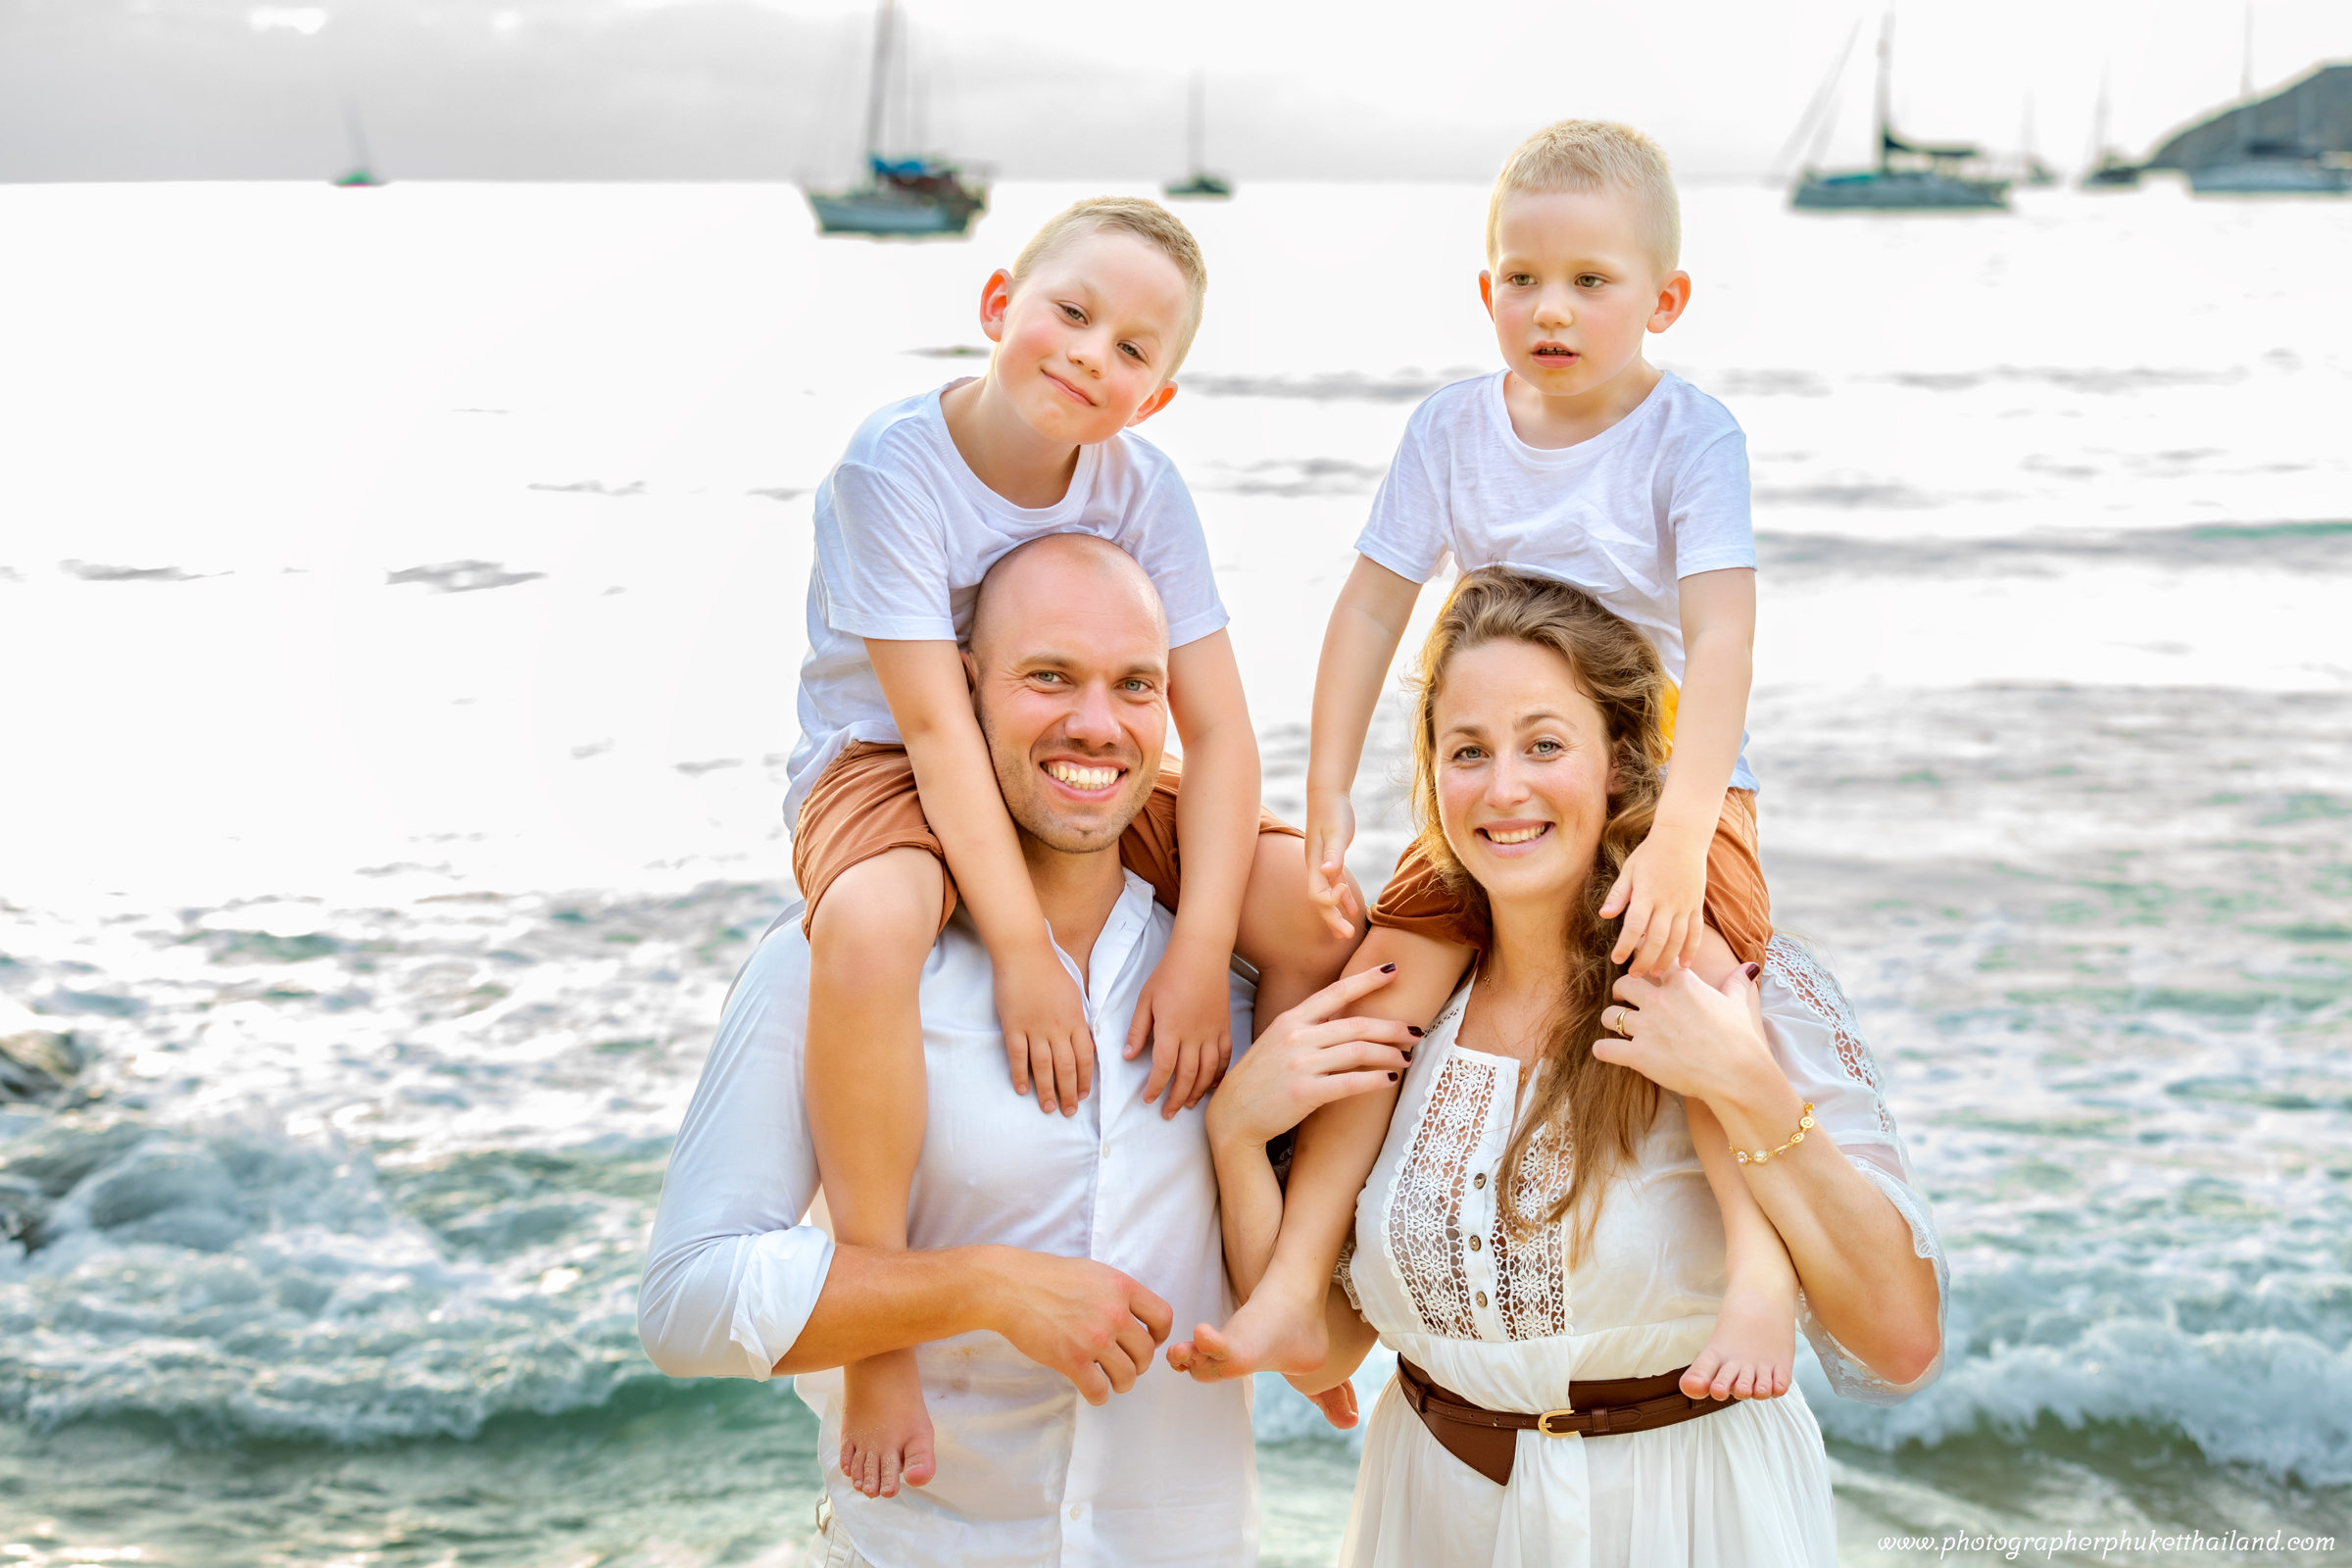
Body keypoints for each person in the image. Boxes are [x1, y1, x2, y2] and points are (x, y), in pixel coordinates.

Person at [640, 535, 1393, 1567]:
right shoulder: (839, 958)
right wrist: (986, 1287)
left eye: (1135, 685)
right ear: (964, 691)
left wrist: (1238, 1133)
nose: (1096, 722)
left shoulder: (1238, 983)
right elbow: (686, 1301)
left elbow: (1335, 1333)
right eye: (1049, 676)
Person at [1171, 569, 1947, 1566]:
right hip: (1434, 1518)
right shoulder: (1408, 1002)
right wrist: (1237, 1135)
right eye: (1468, 751)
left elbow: (1901, 1341)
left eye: (1545, 744)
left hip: (1684, 1523)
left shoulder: (1726, 983)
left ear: (1619, 764)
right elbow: (1321, 1350)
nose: (1504, 789)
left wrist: (1746, 1085)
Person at [1203, 119, 1793, 1405]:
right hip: (1509, 786)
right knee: (1377, 985)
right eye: (1523, 278)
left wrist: (1688, 831)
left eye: (1591, 281)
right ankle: (1301, 1275)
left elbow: (1727, 628)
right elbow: (1369, 606)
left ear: (1664, 299)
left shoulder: (1691, 438)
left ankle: (1759, 1267)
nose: (1552, 308)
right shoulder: (1453, 431)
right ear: (1487, 292)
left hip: (1667, 780)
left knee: (1689, 974)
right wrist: (1323, 789)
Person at [785, 197, 1356, 1495]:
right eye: (1072, 312)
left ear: (1154, 400)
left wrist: (1204, 947)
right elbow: (934, 731)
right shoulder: (893, 469)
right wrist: (1027, 952)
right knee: (873, 926)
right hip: (891, 755)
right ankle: (877, 1321)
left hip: (1074, 739)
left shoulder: (1142, 486)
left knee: (1316, 916)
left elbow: (1213, 730)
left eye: (1137, 349)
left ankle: (1286, 1275)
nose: (1095, 353)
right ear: (999, 307)